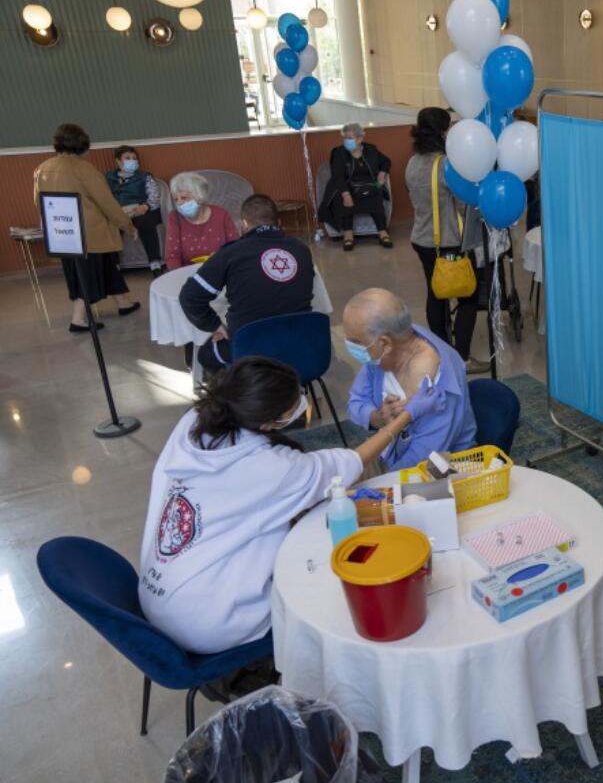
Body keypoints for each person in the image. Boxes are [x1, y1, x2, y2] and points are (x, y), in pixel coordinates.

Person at [138, 356, 412, 654]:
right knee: (330, 584)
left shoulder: (194, 421)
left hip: (158, 597)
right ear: (267, 421)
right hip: (209, 622)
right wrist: (399, 423)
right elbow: (347, 464)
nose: (302, 404)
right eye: (293, 403)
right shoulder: (269, 467)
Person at [343, 288, 477, 471]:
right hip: (389, 453)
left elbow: (418, 464)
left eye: (355, 342)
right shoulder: (382, 351)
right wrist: (377, 417)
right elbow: (355, 403)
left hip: (439, 470)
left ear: (385, 343)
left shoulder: (436, 385)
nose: (350, 347)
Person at [179, 194, 315, 373]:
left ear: (243, 224)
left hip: (250, 348)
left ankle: (236, 396)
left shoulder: (230, 254)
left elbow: (189, 297)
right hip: (299, 344)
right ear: (279, 222)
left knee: (205, 355)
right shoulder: (301, 249)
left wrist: (213, 325)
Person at [32, 123, 141, 333]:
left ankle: (123, 303)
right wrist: (127, 225)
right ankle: (78, 319)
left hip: (62, 232)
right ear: (83, 145)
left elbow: (39, 201)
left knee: (106, 266)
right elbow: (106, 202)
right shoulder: (83, 168)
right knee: (87, 272)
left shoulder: (42, 168)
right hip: (91, 233)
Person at [404, 107, 487, 373]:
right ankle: (461, 358)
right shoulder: (446, 165)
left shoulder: (413, 161)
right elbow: (465, 204)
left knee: (435, 294)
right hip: (447, 241)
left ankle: (440, 353)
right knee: (468, 296)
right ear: (443, 131)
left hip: (422, 238)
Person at [318, 122, 393, 251]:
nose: (346, 141)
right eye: (344, 138)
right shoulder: (339, 153)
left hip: (367, 183)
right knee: (344, 198)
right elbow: (338, 176)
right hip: (345, 184)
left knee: (376, 192)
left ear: (360, 139)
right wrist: (345, 193)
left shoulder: (371, 150)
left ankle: (382, 232)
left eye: (350, 138)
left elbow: (386, 161)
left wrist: (382, 174)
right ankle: (348, 234)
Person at [164, 172, 240, 270]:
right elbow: (172, 256)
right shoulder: (174, 217)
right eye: (176, 199)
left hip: (220, 269)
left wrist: (221, 256)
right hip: (186, 273)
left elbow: (235, 247)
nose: (179, 203)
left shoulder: (221, 215)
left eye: (184, 197)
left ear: (199, 196)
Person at [105, 145, 163, 271]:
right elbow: (104, 197)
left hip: (141, 210)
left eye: (134, 158)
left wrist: (146, 206)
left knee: (145, 222)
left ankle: (154, 262)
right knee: (110, 225)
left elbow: (155, 196)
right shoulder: (108, 177)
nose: (132, 161)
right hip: (119, 212)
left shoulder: (144, 176)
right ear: (118, 161)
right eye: (127, 158)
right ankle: (114, 266)